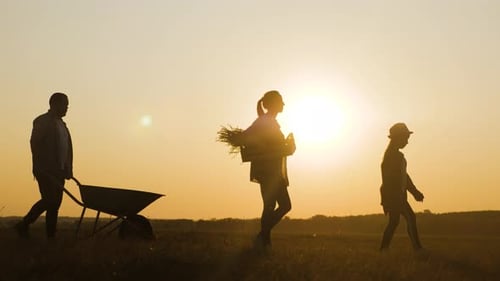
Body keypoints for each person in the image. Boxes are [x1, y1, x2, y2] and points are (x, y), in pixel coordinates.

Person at [233, 90, 296, 251]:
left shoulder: (268, 121)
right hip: (268, 171)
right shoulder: (264, 121)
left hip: (271, 170)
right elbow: (247, 137)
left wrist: (286, 146)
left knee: (274, 205)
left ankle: (263, 239)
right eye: (281, 101)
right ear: (274, 104)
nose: (283, 104)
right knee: (278, 205)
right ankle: (263, 237)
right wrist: (286, 146)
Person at [15, 93, 73, 239]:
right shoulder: (42, 121)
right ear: (54, 104)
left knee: (55, 205)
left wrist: (68, 168)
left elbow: (67, 149)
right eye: (64, 104)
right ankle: (24, 224)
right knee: (49, 200)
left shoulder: (63, 125)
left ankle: (51, 236)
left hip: (60, 170)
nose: (67, 108)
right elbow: (34, 143)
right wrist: (40, 165)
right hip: (45, 169)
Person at [379, 122, 424, 251]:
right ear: (398, 138)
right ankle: (418, 248)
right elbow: (392, 180)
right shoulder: (393, 157)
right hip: (395, 196)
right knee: (410, 218)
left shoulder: (395, 156)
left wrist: (414, 192)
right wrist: (399, 197)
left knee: (394, 223)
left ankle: (383, 250)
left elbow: (404, 176)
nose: (407, 142)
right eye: (405, 138)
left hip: (396, 196)